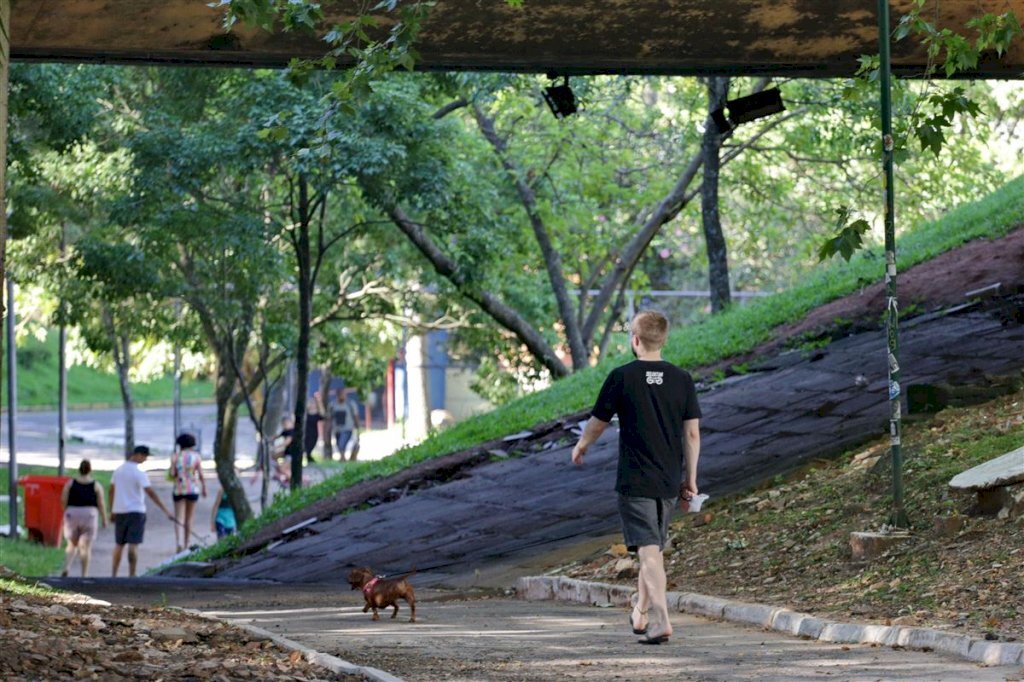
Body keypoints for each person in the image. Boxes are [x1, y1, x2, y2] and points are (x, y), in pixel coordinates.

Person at [571, 310, 701, 645]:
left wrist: (582, 444)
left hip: (635, 479)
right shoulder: (681, 378)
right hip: (669, 479)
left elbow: (598, 421)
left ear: (636, 339)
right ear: (664, 339)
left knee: (647, 552)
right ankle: (641, 612)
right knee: (653, 549)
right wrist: (692, 479)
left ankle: (662, 620)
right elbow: (692, 436)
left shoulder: (622, 377)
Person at [109, 445, 174, 577]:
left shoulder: (118, 471)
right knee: (133, 544)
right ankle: (132, 574)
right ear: (138, 455)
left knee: (119, 544)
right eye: (144, 457)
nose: (145, 460)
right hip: (136, 511)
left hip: (120, 511)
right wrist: (166, 510)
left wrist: (112, 509)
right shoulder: (139, 473)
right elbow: (151, 493)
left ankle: (114, 574)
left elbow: (111, 491)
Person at [60, 459, 108, 577]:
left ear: (79, 469)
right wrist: (104, 519)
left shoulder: (70, 483)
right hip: (89, 514)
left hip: (72, 513)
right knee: (85, 546)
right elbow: (101, 503)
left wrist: (66, 511)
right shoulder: (96, 485)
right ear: (90, 470)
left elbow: (63, 499)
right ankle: (84, 574)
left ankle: (67, 567)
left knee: (71, 544)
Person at [169, 433, 207, 552]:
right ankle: (186, 543)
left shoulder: (176, 456)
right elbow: (200, 474)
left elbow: (172, 474)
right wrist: (204, 487)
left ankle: (178, 542)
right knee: (189, 518)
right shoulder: (196, 456)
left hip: (178, 489)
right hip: (192, 489)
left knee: (179, 517)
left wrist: (174, 464)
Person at [332, 388, 362, 461]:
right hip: (337, 429)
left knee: (342, 443)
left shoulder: (350, 404)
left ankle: (343, 458)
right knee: (338, 444)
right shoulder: (333, 405)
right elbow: (330, 417)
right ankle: (343, 458)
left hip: (347, 428)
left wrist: (357, 427)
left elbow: (355, 416)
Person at [304, 391, 324, 464]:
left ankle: (309, 458)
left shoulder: (316, 414)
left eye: (313, 403)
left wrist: (319, 401)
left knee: (311, 445)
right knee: (307, 446)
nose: (312, 404)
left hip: (314, 433)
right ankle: (309, 458)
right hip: (306, 433)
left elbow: (323, 415)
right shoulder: (305, 414)